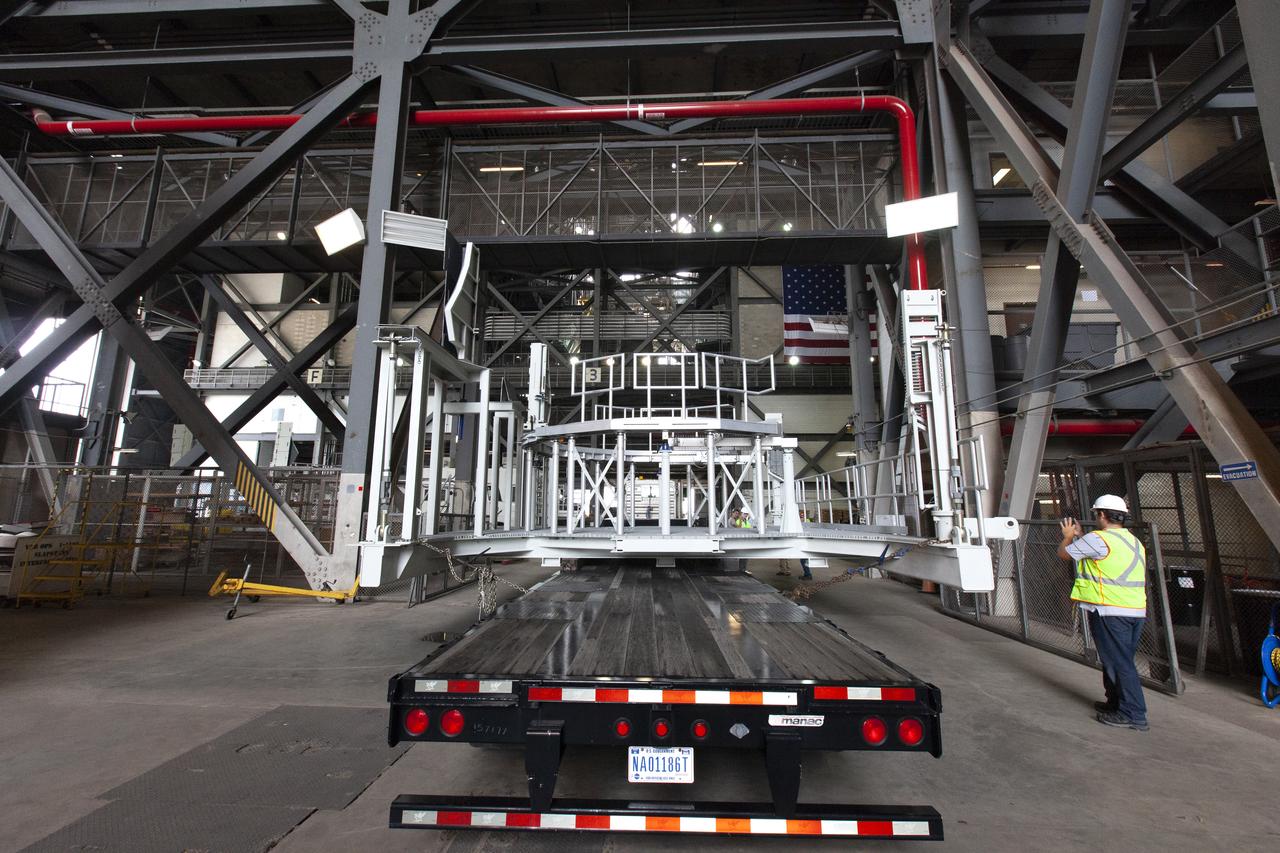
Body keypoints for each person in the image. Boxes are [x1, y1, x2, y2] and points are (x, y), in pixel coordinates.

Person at [1057, 494, 1150, 732]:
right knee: (1118, 660)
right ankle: (1116, 703)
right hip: (1134, 610)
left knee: (1120, 663)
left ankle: (1133, 713)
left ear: (1101, 515)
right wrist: (1079, 537)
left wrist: (1068, 537)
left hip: (1110, 610)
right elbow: (1101, 556)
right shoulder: (1132, 540)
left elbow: (1064, 554)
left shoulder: (1098, 538)